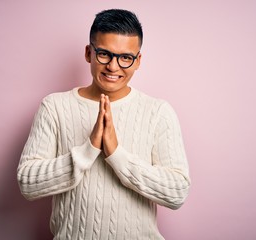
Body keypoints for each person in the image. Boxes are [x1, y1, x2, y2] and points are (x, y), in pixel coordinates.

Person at [17, 9, 191, 240]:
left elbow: (177, 192)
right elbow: (27, 183)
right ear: (89, 53)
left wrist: (117, 155)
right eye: (104, 54)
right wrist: (87, 151)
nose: (113, 66)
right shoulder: (54, 107)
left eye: (125, 57)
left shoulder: (158, 112)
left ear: (137, 61)